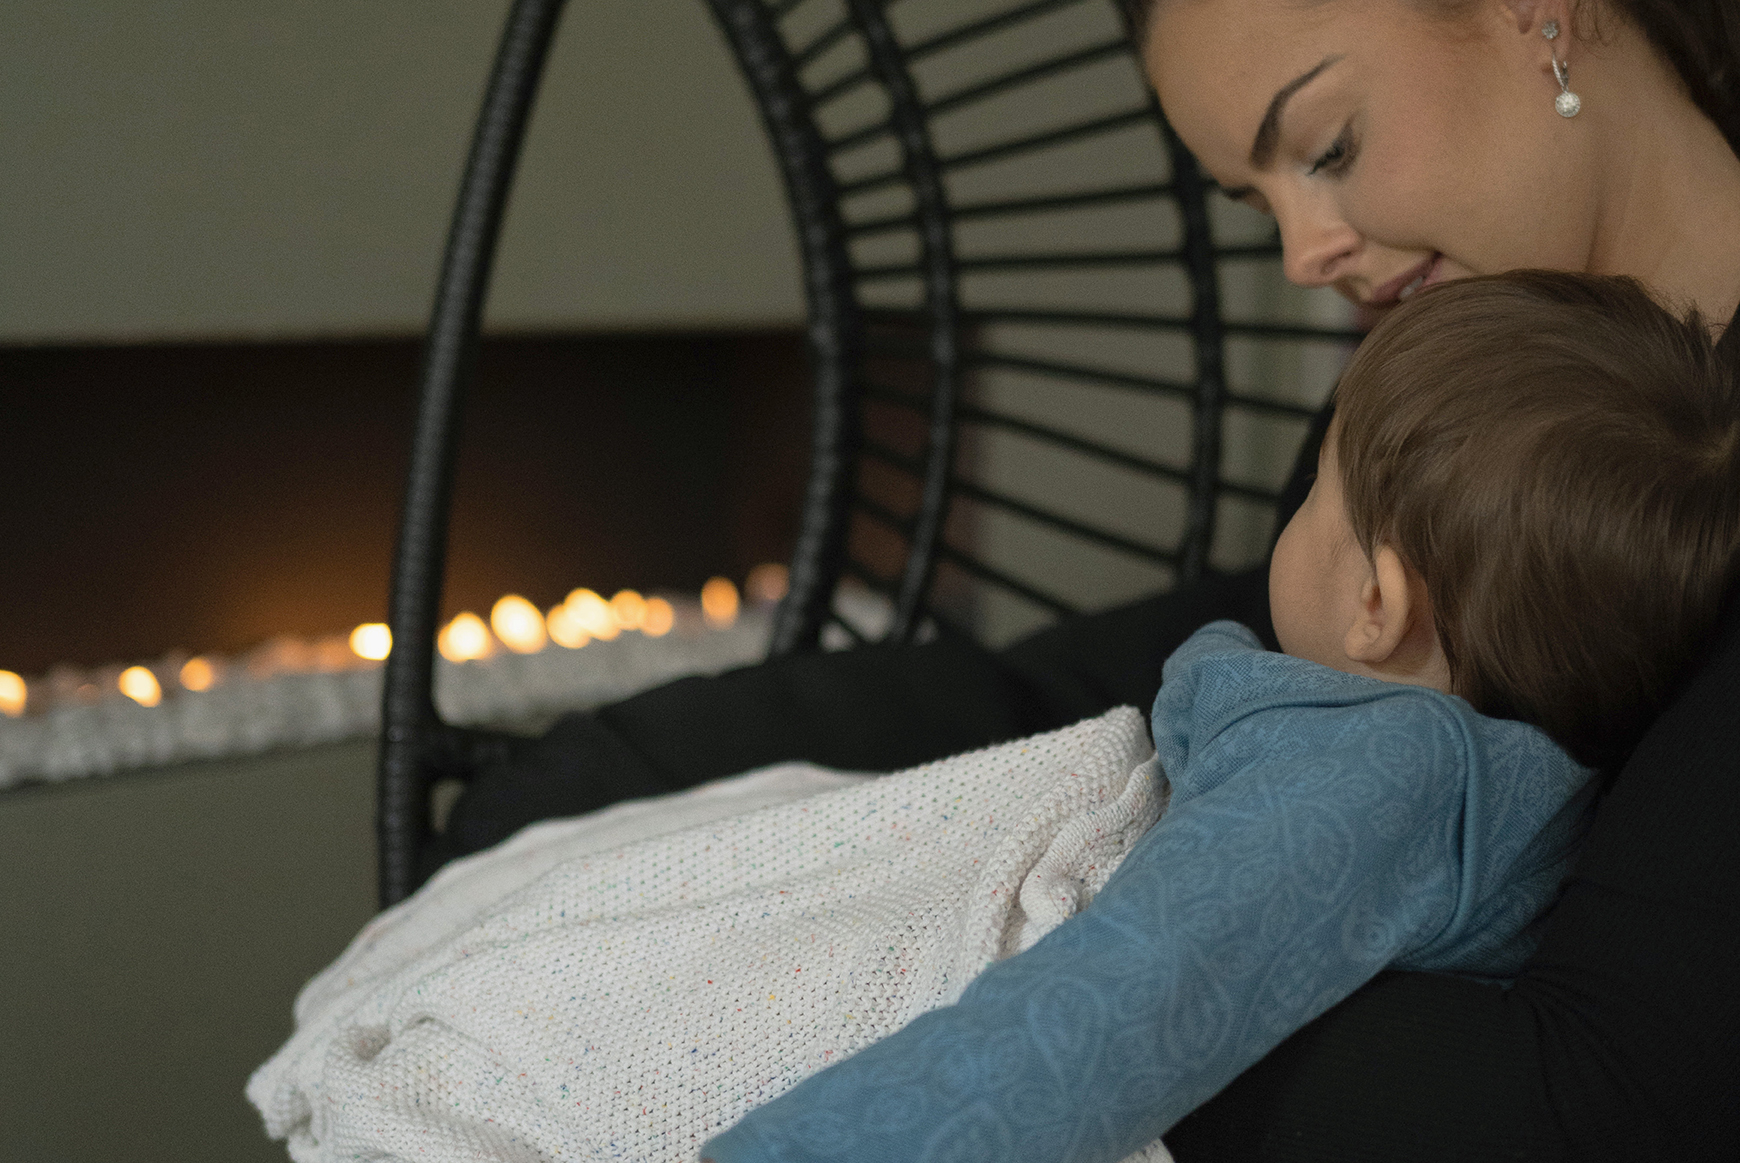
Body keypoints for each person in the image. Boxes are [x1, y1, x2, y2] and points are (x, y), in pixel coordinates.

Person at [433, 0, 1740, 1156]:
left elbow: (1577, 1111)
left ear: (1536, 10)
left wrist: (1077, 955)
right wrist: (621, 761)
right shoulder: (1460, 375)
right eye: (1255, 200)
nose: (1303, 256)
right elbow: (1182, 668)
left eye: (1329, 144)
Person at [695, 270, 1739, 1163]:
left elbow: (1102, 1014)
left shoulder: (1361, 784)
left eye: (1320, 487)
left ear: (1377, 605)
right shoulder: (1481, 777)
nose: (1296, 510)